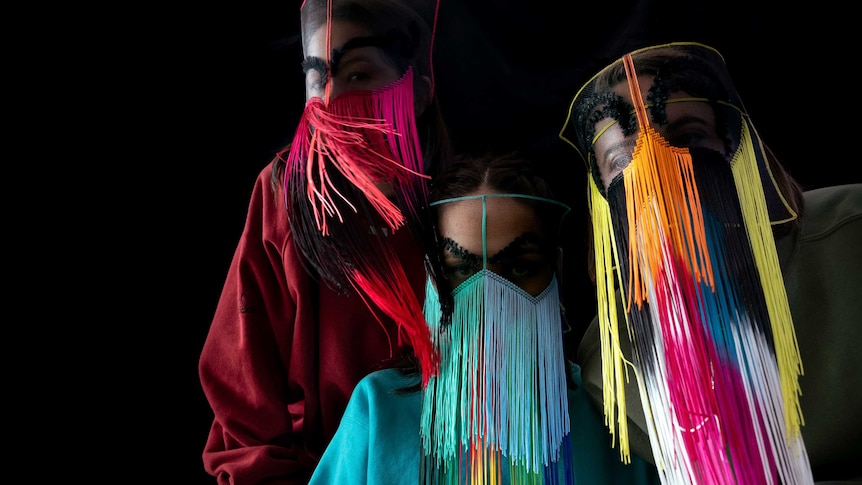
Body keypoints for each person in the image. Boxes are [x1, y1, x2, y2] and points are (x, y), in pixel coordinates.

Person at [559, 42, 862, 483]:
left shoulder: (850, 237)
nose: (659, 172)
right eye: (624, 161)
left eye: (687, 138)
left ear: (731, 145)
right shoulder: (613, 364)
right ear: (605, 193)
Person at [198, 0, 451, 483]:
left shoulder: (458, 204)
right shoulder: (282, 199)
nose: (332, 102)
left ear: (416, 93)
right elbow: (242, 401)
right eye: (318, 79)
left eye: (357, 75)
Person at [307, 153, 662, 484]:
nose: (490, 297)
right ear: (432, 280)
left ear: (557, 271)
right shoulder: (378, 412)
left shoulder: (611, 411)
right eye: (462, 269)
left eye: (520, 267)